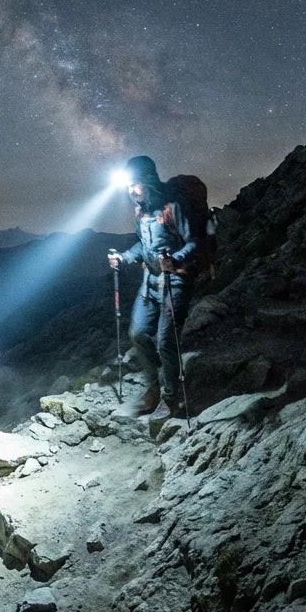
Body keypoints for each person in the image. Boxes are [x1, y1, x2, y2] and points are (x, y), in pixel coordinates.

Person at [107, 154, 200, 421]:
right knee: (137, 333)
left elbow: (193, 241)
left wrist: (175, 259)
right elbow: (143, 245)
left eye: (133, 185)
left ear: (147, 182)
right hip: (150, 282)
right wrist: (124, 257)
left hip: (175, 281)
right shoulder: (141, 211)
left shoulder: (173, 207)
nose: (130, 191)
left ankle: (170, 400)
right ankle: (154, 386)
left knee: (165, 341)